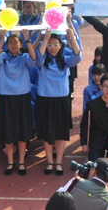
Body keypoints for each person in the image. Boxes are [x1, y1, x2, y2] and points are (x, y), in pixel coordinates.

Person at [35, 29, 82, 176]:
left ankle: (59, 162)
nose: (52, 48)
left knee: (60, 133)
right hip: (45, 100)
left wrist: (72, 38)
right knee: (48, 132)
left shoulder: (66, 59)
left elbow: (77, 56)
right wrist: (45, 37)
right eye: (49, 45)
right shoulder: (42, 61)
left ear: (60, 46)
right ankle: (49, 161)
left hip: (61, 100)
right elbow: (39, 56)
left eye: (55, 45)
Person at [0, 29, 36, 176]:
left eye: (15, 42)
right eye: (10, 42)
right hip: (6, 98)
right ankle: (11, 161)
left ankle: (22, 161)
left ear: (20, 44)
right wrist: (1, 38)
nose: (13, 45)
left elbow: (33, 59)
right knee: (8, 131)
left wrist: (28, 39)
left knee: (23, 130)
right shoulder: (4, 56)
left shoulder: (24, 56)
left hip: (22, 98)